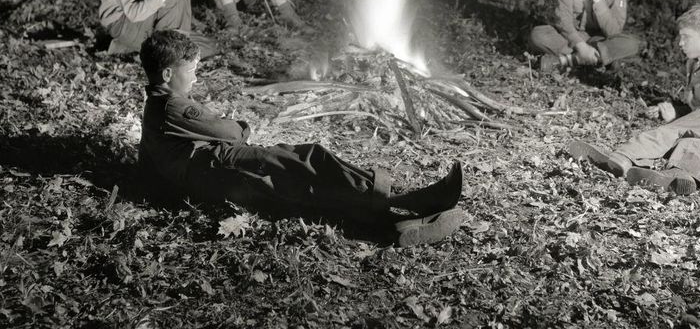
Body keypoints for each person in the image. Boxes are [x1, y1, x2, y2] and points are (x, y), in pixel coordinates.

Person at [138, 30, 464, 246]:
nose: (196, 75)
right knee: (308, 161)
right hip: (220, 167)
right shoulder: (173, 105)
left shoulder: (155, 105)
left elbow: (148, 159)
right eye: (192, 69)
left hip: (213, 173)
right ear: (168, 74)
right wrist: (238, 127)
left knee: (302, 188)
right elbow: (232, 132)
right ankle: (401, 204)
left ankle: (399, 221)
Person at [568, 3, 700, 195]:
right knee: (692, 145)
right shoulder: (694, 66)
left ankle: (624, 155)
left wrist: (679, 119)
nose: (680, 43)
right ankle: (680, 175)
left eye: (686, 37)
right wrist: (678, 111)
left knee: (675, 130)